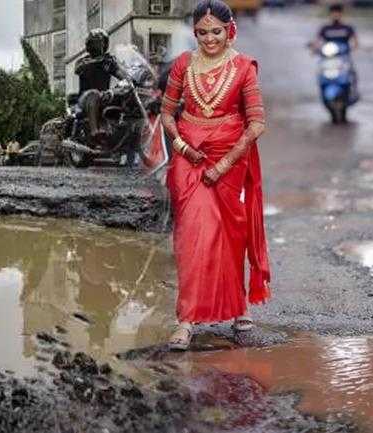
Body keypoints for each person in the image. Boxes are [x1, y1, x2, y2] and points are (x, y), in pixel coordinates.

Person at [161, 0, 271, 350]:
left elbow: (257, 124)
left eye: (216, 31)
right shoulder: (182, 64)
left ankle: (238, 308)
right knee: (192, 234)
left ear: (230, 30)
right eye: (203, 32)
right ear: (195, 32)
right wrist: (182, 147)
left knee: (230, 232)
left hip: (230, 158)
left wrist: (223, 165)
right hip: (188, 158)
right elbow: (167, 115)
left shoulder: (243, 68)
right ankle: (186, 319)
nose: (210, 38)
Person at [75, 28, 130, 139]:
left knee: (121, 95)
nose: (99, 45)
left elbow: (122, 75)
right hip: (84, 98)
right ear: (89, 45)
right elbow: (78, 69)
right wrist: (97, 61)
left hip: (103, 95)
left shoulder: (108, 61)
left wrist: (131, 80)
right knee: (94, 94)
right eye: (96, 42)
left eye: (101, 42)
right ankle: (95, 132)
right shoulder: (83, 61)